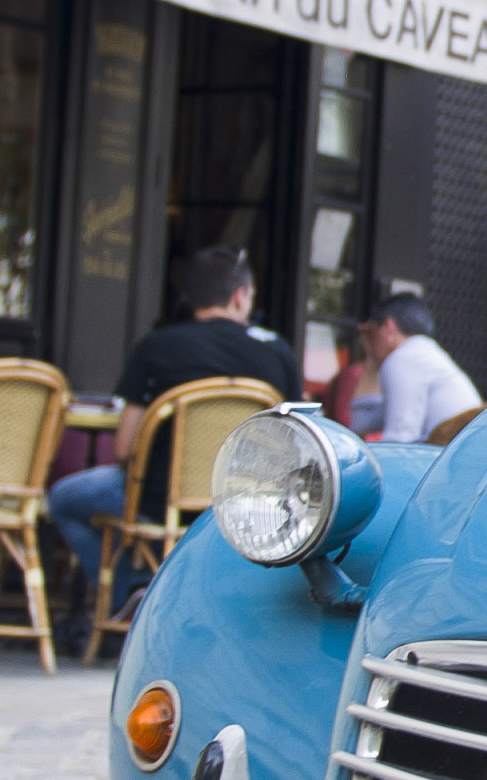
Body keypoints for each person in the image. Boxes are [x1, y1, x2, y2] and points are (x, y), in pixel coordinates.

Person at [47, 248, 300, 641]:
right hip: (245, 506)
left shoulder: (156, 346)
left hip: (158, 501)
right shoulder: (277, 352)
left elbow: (124, 448)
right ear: (240, 297)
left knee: (64, 499)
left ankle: (134, 590)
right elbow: (296, 443)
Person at [357, 292, 481, 446]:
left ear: (388, 327)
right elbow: (360, 422)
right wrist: (371, 359)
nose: (367, 341)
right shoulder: (423, 355)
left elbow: (400, 440)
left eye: (371, 333)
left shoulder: (404, 358)